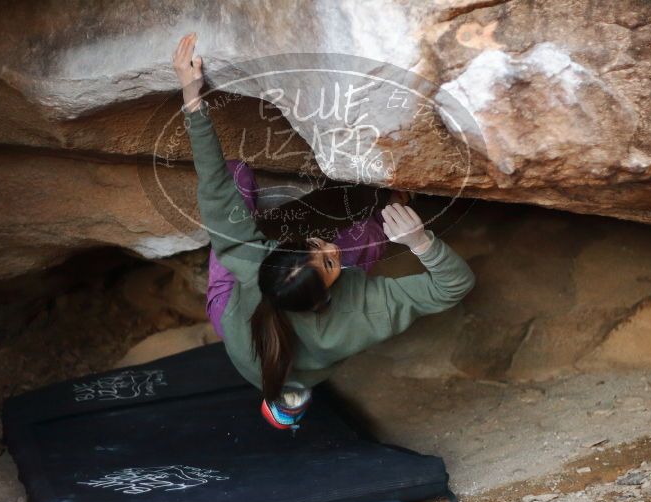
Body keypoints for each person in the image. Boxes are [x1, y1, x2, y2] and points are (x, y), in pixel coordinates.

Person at [173, 33, 476, 431]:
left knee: (234, 176)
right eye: (331, 261)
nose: (330, 244)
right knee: (370, 240)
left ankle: (286, 391)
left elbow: (214, 182)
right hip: (286, 360)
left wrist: (191, 95)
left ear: (270, 258)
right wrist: (420, 243)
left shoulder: (247, 258)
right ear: (323, 301)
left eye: (314, 245)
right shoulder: (361, 314)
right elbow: (454, 287)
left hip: (233, 322)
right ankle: (291, 394)